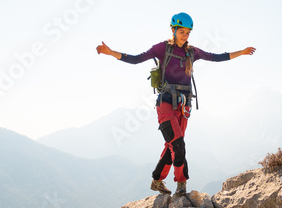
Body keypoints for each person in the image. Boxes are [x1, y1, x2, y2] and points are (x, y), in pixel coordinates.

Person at [97, 12, 255, 197]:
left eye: (188, 32)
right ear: (173, 30)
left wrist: (241, 52)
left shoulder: (192, 52)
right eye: (182, 31)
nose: (185, 35)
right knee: (178, 144)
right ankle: (182, 184)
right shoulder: (161, 48)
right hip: (165, 104)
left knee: (171, 145)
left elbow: (215, 57)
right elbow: (136, 59)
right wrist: (111, 53)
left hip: (184, 106)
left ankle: (157, 180)